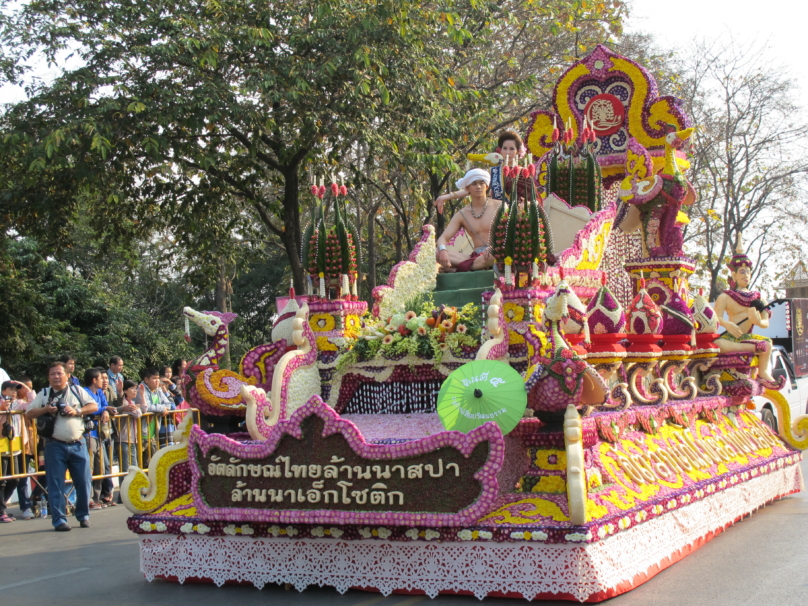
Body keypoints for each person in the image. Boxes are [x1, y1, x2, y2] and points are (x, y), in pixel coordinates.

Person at [25, 361, 97, 531]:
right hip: (54, 445)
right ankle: (59, 520)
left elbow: (94, 406)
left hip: (78, 443)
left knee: (84, 482)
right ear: (48, 377)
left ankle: (83, 515)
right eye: (52, 374)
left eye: (59, 373)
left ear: (67, 375)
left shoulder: (77, 391)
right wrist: (45, 410)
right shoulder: (44, 394)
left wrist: (77, 411)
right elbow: (29, 412)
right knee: (55, 483)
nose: (56, 377)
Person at [714, 237, 778, 385]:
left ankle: (763, 372)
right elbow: (715, 318)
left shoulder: (759, 297)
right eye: (742, 272)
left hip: (747, 336)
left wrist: (757, 321)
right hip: (731, 338)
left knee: (767, 344)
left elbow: (765, 324)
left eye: (748, 272)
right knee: (718, 344)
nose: (745, 275)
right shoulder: (726, 296)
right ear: (734, 275)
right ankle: (750, 348)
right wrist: (727, 324)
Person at [433, 168, 500, 273]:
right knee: (435, 252)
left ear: (486, 186)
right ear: (467, 188)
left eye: (481, 183)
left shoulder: (499, 206)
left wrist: (494, 247)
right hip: (475, 257)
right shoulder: (462, 214)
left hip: (495, 252)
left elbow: (510, 232)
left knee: (495, 255)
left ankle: (458, 269)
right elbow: (443, 238)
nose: (478, 187)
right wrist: (442, 251)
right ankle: (475, 266)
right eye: (474, 184)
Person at [83, 368, 115, 508]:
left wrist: (106, 409)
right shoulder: (84, 392)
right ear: (94, 380)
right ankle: (88, 498)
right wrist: (104, 410)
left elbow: (104, 405)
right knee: (89, 468)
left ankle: (97, 498)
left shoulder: (100, 392)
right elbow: (92, 408)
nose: (103, 381)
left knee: (100, 467)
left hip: (100, 434)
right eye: (100, 378)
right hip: (88, 434)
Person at [135, 368, 173, 462]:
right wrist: (161, 408)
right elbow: (146, 407)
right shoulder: (141, 389)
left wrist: (162, 408)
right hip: (140, 433)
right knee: (140, 463)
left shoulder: (158, 390)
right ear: (146, 379)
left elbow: (168, 404)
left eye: (158, 378)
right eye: (154, 378)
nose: (157, 381)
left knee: (152, 463)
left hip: (153, 433)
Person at [0, 381, 21, 522]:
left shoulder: (17, 403)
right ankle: (1, 511)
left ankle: (2, 506)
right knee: (2, 481)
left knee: (15, 479)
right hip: (1, 446)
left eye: (16, 389)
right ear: (3, 391)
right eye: (11, 389)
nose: (14, 392)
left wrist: (23, 385)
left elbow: (31, 402)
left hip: (14, 447)